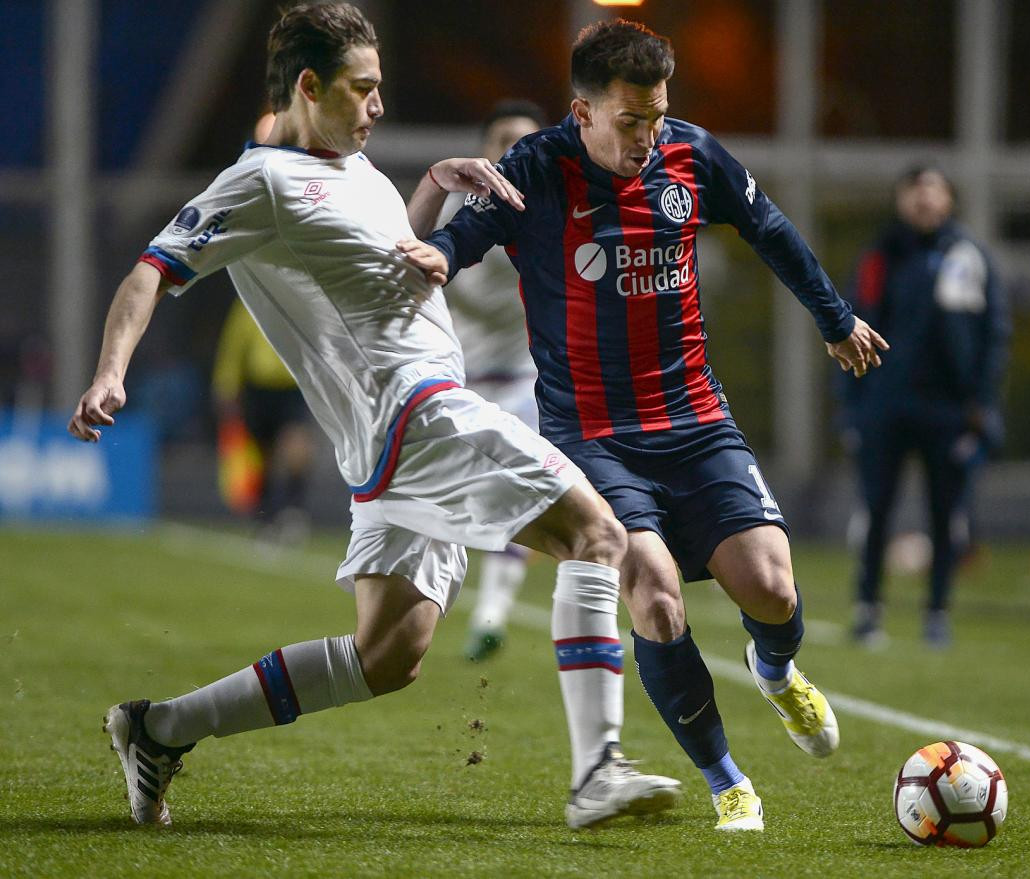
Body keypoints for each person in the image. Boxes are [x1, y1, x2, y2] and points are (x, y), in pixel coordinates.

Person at [68, 3, 680, 831]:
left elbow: (396, 282)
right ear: (309, 87)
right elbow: (150, 271)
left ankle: (158, 726)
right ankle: (597, 771)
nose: (379, 106)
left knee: (386, 656)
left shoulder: (358, 168)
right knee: (598, 537)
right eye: (363, 89)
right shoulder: (260, 183)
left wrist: (430, 189)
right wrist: (110, 372)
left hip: (389, 441)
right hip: (420, 413)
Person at [420, 20, 888, 831]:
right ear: (584, 112)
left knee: (773, 588)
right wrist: (438, 255)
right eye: (631, 122)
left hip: (696, 420)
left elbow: (769, 229)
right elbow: (466, 234)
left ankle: (775, 672)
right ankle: (725, 778)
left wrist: (835, 318)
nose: (648, 137)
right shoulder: (536, 168)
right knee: (655, 597)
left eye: (658, 116)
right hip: (593, 436)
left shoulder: (692, 156)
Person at [840, 164, 1010, 648]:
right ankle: (868, 609)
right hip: (885, 406)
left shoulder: (969, 257)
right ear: (900, 200)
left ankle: (937, 612)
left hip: (948, 412)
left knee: (946, 515)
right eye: (914, 192)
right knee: (876, 510)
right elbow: (848, 328)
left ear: (949, 200)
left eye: (932, 191)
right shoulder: (880, 255)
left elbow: (994, 334)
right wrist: (852, 405)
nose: (923, 201)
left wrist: (981, 401)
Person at [440, 100, 548, 662]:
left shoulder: (547, 209)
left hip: (525, 382)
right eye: (504, 138)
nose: (514, 150)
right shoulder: (453, 211)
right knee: (451, 507)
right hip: (455, 383)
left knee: (517, 500)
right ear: (484, 148)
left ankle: (491, 615)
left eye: (526, 140)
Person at [212, 297, 314, 543]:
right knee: (262, 455)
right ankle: (265, 516)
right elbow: (234, 343)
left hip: (293, 385)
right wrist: (226, 384)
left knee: (297, 449)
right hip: (258, 388)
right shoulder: (247, 298)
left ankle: (293, 509)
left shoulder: (297, 298)